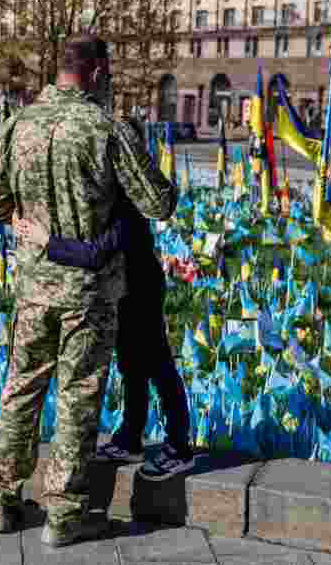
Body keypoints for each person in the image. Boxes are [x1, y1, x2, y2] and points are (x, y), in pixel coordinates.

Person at [0, 34, 176, 547]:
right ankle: (64, 516)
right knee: (77, 399)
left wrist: (31, 225)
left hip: (32, 289)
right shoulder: (107, 128)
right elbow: (158, 204)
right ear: (94, 73)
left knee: (21, 388)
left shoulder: (17, 124)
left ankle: (1, 502)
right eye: (106, 74)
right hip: (88, 295)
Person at [14, 117, 194, 482]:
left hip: (141, 290)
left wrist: (45, 241)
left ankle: (179, 447)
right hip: (121, 291)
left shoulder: (128, 203)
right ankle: (130, 437)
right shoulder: (111, 194)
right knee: (130, 367)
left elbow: (96, 253)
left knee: (158, 366)